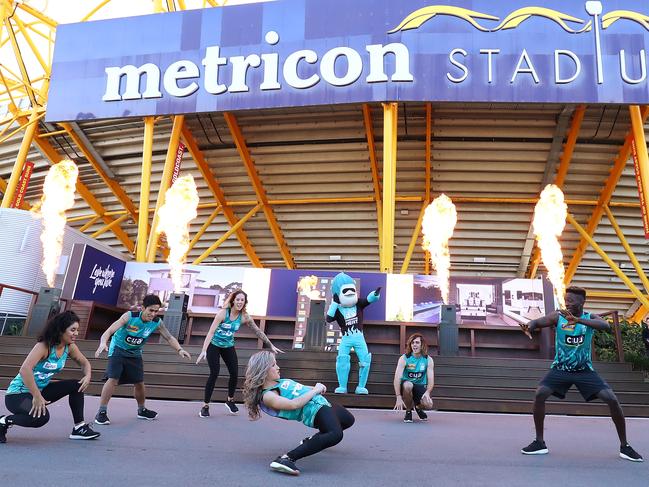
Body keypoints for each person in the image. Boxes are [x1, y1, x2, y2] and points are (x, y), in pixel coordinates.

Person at [520, 287, 643, 462]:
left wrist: (577, 320)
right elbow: (539, 322)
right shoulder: (558, 316)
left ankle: (625, 446)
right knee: (540, 394)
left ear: (582, 302)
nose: (568, 303)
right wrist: (529, 326)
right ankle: (539, 442)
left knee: (611, 399)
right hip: (561, 369)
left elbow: (605, 325)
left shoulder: (589, 318)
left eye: (571, 300)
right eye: (566, 300)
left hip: (584, 370)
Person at [244, 350, 355, 476]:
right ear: (263, 370)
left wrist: (315, 387)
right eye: (274, 365)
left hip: (321, 403)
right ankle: (286, 459)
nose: (278, 367)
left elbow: (300, 388)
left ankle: (313, 440)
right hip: (313, 411)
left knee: (347, 420)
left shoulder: (280, 382)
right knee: (335, 434)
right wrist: (315, 391)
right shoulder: (268, 395)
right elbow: (294, 404)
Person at [0, 311, 100, 443]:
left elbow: (84, 363)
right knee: (41, 418)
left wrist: (88, 375)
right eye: (73, 330)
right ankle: (4, 420)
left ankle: (79, 428)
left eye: (77, 330)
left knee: (77, 385)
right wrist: (36, 396)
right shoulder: (44, 346)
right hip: (18, 395)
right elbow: (25, 370)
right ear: (60, 330)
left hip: (40, 391)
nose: (76, 333)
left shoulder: (69, 347)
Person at [93, 294, 191, 425]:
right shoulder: (130, 316)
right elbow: (110, 330)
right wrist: (103, 343)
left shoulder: (156, 322)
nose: (153, 314)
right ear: (143, 308)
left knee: (139, 382)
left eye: (156, 311)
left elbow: (169, 337)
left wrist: (180, 349)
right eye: (151, 310)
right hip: (118, 349)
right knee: (113, 378)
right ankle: (102, 412)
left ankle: (142, 410)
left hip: (135, 352)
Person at [196, 289, 283, 418]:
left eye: (242, 300)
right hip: (214, 345)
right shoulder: (222, 313)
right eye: (238, 299)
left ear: (245, 302)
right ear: (233, 301)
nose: (240, 302)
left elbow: (258, 331)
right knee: (214, 373)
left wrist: (270, 344)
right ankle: (205, 406)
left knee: (234, 373)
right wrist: (204, 350)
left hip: (228, 346)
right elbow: (211, 332)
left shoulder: (244, 317)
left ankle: (230, 400)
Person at [326, 272, 380, 394]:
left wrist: (375, 294)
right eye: (345, 291)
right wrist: (334, 302)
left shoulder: (359, 304)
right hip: (346, 338)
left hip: (359, 337)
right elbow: (329, 318)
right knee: (342, 360)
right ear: (338, 294)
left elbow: (368, 300)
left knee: (365, 360)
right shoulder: (338, 309)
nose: (350, 293)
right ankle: (342, 386)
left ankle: (361, 386)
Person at [393, 333, 435, 423]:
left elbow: (431, 380)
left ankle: (418, 407)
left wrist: (427, 392)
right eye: (412, 343)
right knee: (408, 385)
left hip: (419, 386)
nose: (414, 345)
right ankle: (408, 411)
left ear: (422, 345)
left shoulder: (428, 359)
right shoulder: (404, 358)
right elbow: (397, 378)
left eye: (417, 342)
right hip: (406, 386)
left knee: (429, 404)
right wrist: (398, 396)